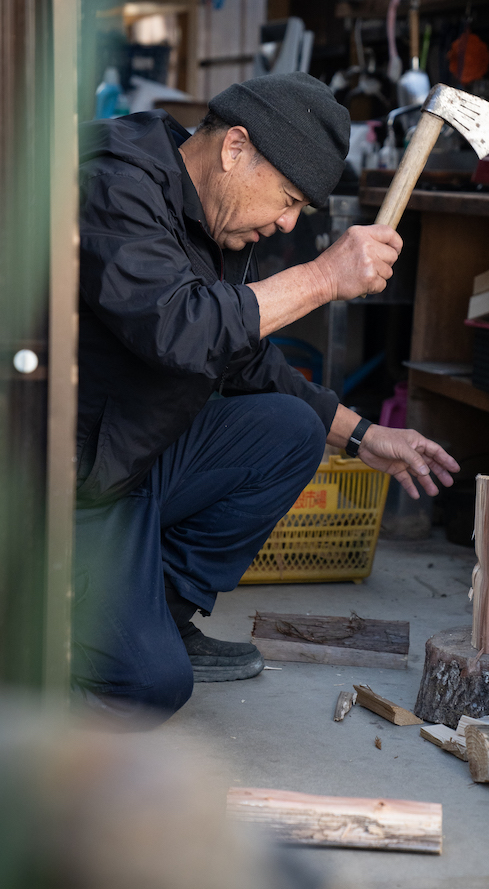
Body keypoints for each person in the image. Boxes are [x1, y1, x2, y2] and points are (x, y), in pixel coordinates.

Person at [74, 72, 459, 726]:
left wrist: (365, 436)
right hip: (67, 479)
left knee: (285, 428)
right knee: (148, 690)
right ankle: (62, 635)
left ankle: (155, 617)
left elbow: (244, 355)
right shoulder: (114, 181)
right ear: (234, 148)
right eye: (285, 199)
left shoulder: (209, 213)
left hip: (130, 458)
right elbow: (181, 328)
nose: (284, 223)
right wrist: (321, 277)